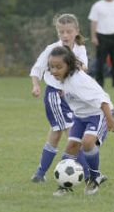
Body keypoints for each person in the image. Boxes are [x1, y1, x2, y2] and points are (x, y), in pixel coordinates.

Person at [47, 46, 114, 196]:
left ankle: (94, 177)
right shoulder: (63, 78)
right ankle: (64, 185)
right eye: (52, 67)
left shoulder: (78, 80)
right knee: (71, 146)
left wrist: (110, 120)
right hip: (80, 116)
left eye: (58, 67)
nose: (54, 71)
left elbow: (102, 100)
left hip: (99, 113)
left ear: (69, 65)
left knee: (87, 143)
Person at [30, 14, 92, 183]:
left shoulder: (80, 48)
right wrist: (36, 85)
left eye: (68, 31)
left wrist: (78, 67)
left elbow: (84, 68)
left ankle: (40, 174)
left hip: (71, 97)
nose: (65, 35)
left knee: (55, 134)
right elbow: (37, 69)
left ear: (76, 31)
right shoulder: (52, 49)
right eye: (61, 32)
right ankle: (89, 174)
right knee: (73, 135)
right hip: (55, 96)